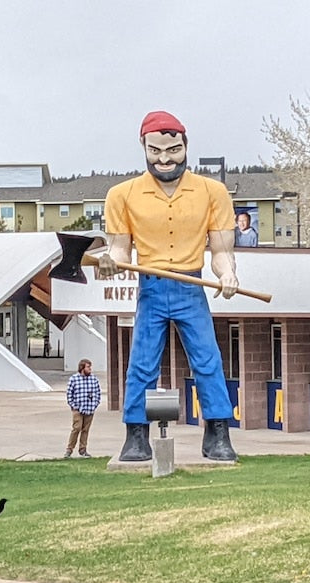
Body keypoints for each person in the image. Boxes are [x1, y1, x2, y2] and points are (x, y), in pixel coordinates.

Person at [100, 110, 239, 462]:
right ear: (143, 147)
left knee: (208, 360)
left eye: (173, 150)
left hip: (191, 285)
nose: (165, 159)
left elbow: (222, 250)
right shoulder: (121, 195)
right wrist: (110, 261)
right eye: (155, 151)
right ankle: (135, 435)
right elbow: (119, 248)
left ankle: (218, 432)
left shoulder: (213, 192)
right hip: (151, 286)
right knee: (142, 363)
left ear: (185, 145)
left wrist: (227, 274)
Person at [63, 358, 101, 458]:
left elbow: (97, 393)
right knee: (77, 428)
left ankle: (83, 450)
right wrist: (73, 405)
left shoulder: (94, 379)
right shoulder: (74, 379)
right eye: (88, 367)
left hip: (90, 409)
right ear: (82, 368)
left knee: (85, 430)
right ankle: (69, 449)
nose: (90, 369)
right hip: (78, 408)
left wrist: (95, 404)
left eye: (90, 367)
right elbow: (69, 393)